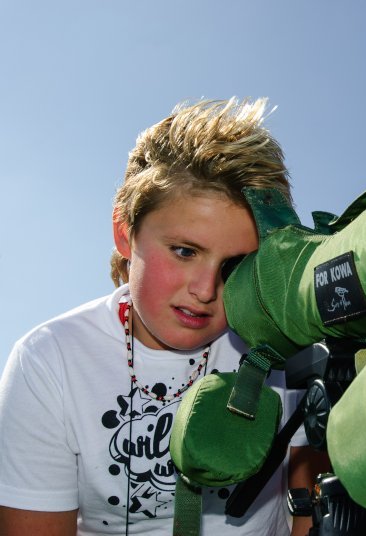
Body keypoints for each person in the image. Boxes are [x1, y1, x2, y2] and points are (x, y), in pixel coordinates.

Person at [0, 99, 325, 535]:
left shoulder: (285, 344)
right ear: (124, 231)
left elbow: (311, 509)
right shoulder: (49, 362)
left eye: (234, 266)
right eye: (185, 251)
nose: (206, 290)